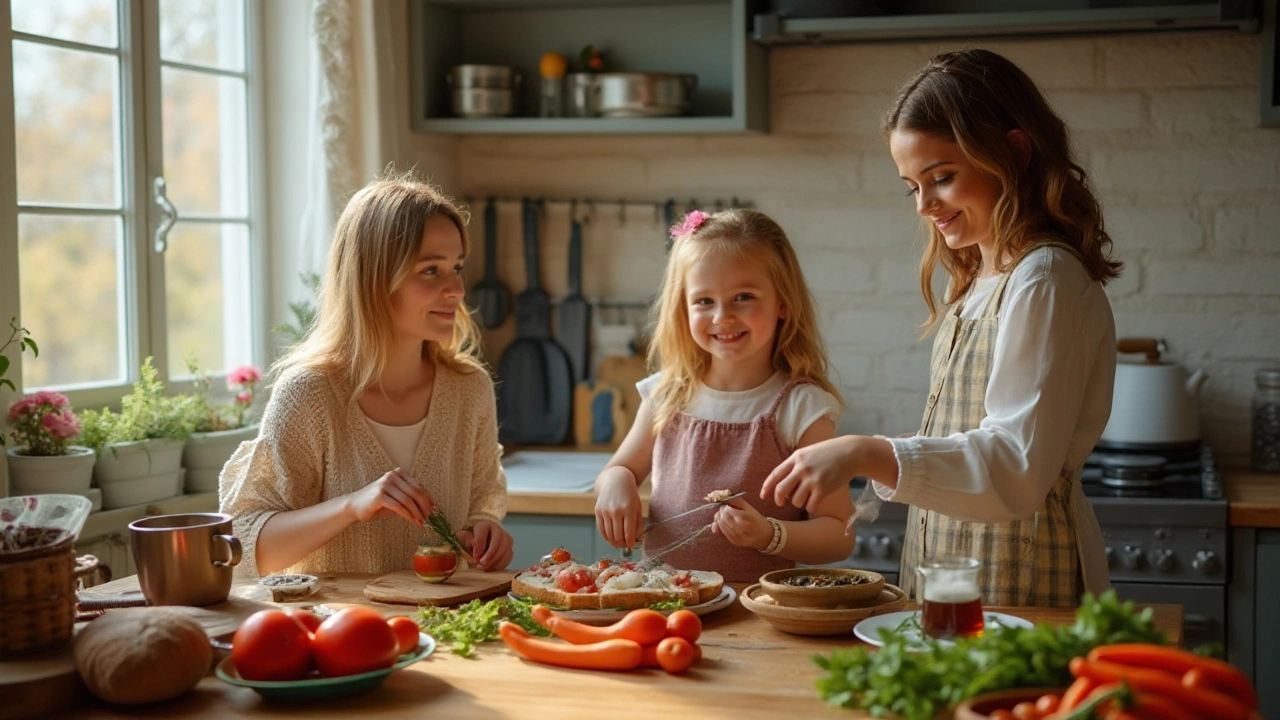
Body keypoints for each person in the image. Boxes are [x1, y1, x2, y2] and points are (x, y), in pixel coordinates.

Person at [761, 49, 1123, 607]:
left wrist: (865, 451)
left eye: (942, 178)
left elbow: (1017, 467)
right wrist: (902, 451)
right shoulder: (983, 277)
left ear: (1015, 153)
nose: (924, 205)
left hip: (1020, 573)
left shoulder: (1042, 280)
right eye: (912, 186)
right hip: (958, 571)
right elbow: (983, 431)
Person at [220, 175, 513, 577]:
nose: (456, 289)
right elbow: (241, 546)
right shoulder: (309, 394)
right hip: (338, 631)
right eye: (431, 270)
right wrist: (352, 506)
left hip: (444, 631)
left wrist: (487, 530)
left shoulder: (470, 389)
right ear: (373, 279)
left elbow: (483, 505)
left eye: (456, 267)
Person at [594, 209, 855, 583]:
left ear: (783, 302)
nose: (722, 317)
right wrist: (617, 484)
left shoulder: (803, 408)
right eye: (704, 301)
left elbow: (838, 535)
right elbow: (618, 470)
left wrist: (769, 534)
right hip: (667, 606)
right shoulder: (665, 393)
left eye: (743, 297)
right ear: (682, 308)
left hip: (757, 616)